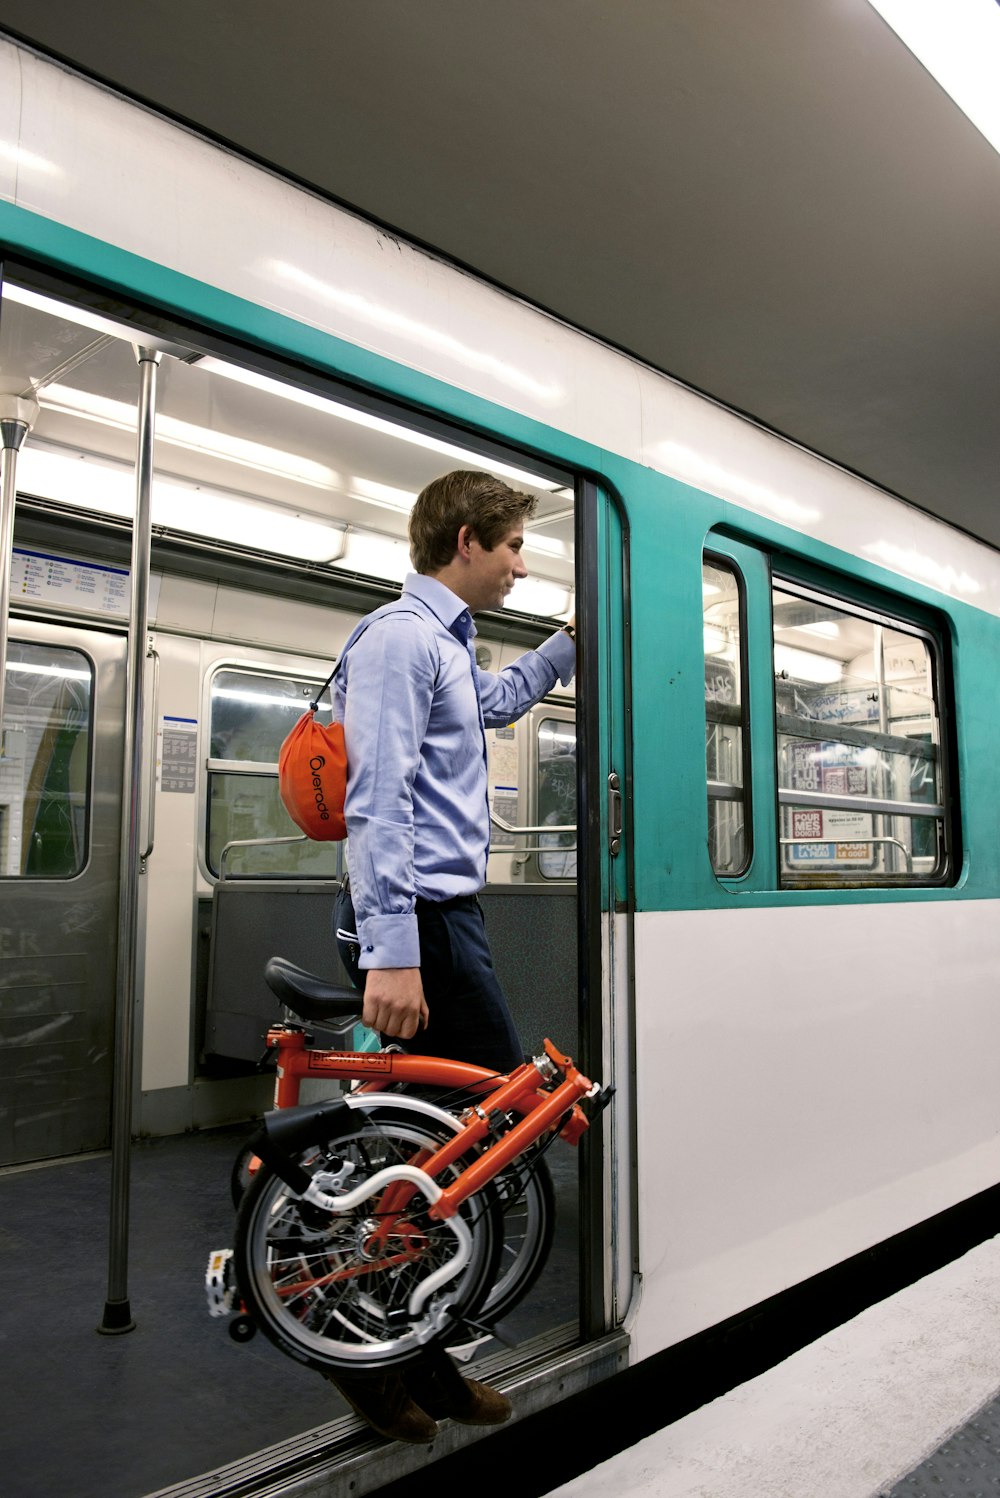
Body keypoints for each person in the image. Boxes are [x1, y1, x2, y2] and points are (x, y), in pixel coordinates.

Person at [327, 469, 576, 1442]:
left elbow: (496, 703)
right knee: (465, 1136)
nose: (520, 563)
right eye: (513, 545)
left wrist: (564, 650)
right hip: (417, 924)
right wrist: (392, 952)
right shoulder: (397, 641)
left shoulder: (437, 645)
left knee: (441, 1150)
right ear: (467, 538)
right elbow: (376, 800)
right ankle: (367, 1347)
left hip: (442, 917)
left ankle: (413, 1357)